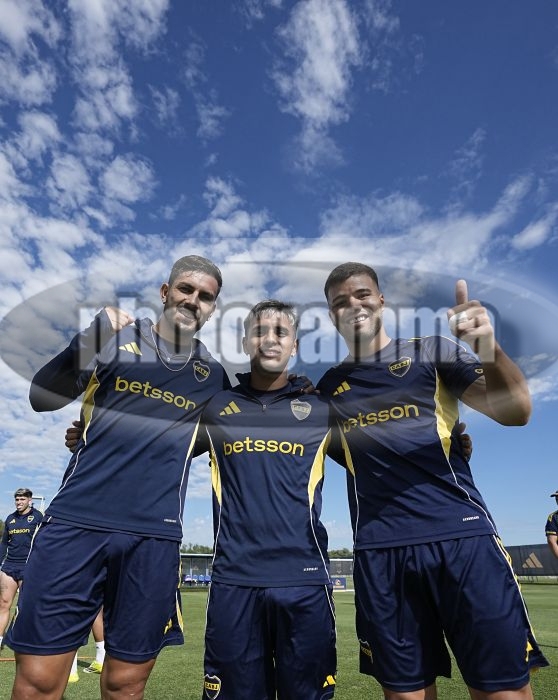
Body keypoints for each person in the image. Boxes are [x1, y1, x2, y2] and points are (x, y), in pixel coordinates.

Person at [317, 262, 549, 700]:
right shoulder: (329, 387)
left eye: (362, 294)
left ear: (381, 300)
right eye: (340, 302)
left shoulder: (432, 351)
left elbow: (516, 411)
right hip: (382, 552)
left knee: (504, 692)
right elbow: (336, 455)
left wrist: (488, 348)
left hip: (464, 541)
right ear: (331, 315)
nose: (354, 306)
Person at [7, 255, 230, 700]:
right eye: (186, 289)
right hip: (75, 524)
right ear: (165, 292)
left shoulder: (214, 377)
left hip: (153, 538)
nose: (194, 300)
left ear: (212, 308)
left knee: (126, 685)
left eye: (206, 297)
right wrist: (90, 338)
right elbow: (41, 397)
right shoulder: (115, 339)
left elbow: (214, 440)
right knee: (38, 682)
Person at [201, 300, 338, 700]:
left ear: (295, 345)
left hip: (305, 580)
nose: (270, 339)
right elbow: (158, 448)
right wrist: (86, 436)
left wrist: (452, 448)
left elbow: (382, 461)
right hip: (234, 580)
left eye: (281, 332)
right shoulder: (217, 407)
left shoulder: (322, 408)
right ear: (246, 341)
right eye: (260, 331)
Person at [0, 488, 43, 650]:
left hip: (29, 567)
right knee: (3, 603)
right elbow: (4, 543)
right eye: (17, 499)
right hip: (9, 566)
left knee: (26, 606)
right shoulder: (10, 519)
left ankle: (27, 640)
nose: (19, 502)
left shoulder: (38, 517)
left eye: (22, 499)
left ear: (29, 500)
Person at [545, 490, 558, 560]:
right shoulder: (553, 517)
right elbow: (551, 541)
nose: (557, 500)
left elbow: (551, 541)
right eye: (556, 498)